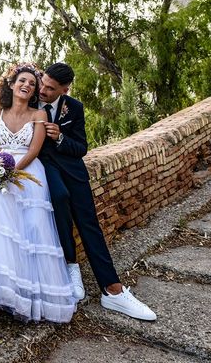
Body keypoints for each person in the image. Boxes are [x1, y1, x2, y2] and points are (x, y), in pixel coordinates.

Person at [37, 62, 156, 321]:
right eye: (43, 83)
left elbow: (81, 147)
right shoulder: (27, 101)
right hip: (44, 170)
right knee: (59, 201)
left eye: (51, 88)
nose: (43, 90)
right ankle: (71, 267)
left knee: (89, 224)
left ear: (64, 90)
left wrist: (59, 137)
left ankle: (113, 290)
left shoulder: (75, 108)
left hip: (73, 171)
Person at [0, 63, 77, 323]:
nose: (27, 85)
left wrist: (11, 172)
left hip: (29, 173)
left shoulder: (39, 115)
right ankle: (8, 290)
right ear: (11, 84)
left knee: (32, 229)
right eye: (22, 80)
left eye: (32, 83)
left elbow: (33, 150)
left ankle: (34, 295)